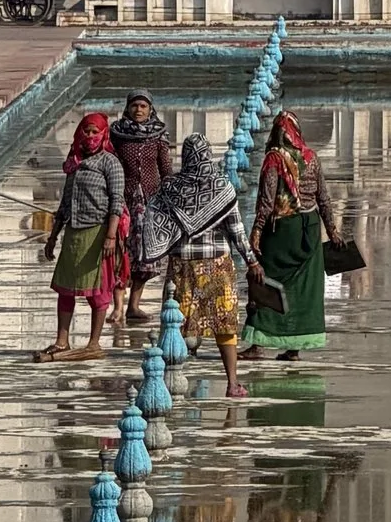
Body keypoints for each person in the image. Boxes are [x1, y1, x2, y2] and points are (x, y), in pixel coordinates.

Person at [133, 134, 251, 397]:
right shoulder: (221, 187)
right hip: (217, 266)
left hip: (182, 266)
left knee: (176, 324)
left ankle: (164, 382)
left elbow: (154, 220)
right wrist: (252, 261)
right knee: (225, 324)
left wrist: (153, 253)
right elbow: (237, 231)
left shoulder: (171, 187)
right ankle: (232, 383)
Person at [247, 111, 339, 359]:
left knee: (264, 282)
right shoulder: (312, 158)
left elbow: (267, 201)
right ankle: (294, 349)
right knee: (304, 289)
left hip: (281, 231)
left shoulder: (274, 160)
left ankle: (258, 343)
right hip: (309, 228)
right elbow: (323, 199)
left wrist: (256, 232)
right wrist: (333, 231)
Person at [40, 110, 129, 358]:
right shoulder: (74, 162)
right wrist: (53, 235)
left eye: (94, 132)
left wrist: (111, 236)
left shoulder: (110, 163)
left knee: (98, 291)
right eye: (86, 131)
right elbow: (65, 202)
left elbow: (116, 202)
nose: (90, 136)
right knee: (65, 289)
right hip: (73, 233)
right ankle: (61, 340)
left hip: (98, 233)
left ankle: (94, 342)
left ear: (103, 134)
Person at [110, 91, 170, 323]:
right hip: (123, 201)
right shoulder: (117, 134)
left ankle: (134, 306)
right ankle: (118, 306)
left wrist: (169, 194)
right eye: (134, 105)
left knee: (144, 257)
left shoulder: (158, 134)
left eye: (143, 106)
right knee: (121, 254)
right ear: (128, 108)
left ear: (150, 109)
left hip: (149, 203)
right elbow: (111, 163)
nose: (139, 110)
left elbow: (165, 168)